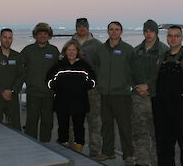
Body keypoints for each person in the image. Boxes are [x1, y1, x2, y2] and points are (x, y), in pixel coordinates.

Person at [138, 25, 183, 166]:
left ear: (181, 38)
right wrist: (150, 93)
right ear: (167, 38)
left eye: (176, 36)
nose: (173, 39)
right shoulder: (162, 56)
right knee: (164, 147)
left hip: (182, 110)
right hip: (162, 110)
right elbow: (154, 80)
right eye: (170, 36)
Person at [96, 21, 134, 166]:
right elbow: (97, 67)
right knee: (106, 125)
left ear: (121, 32)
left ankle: (128, 155)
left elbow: (133, 69)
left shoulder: (128, 49)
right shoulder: (100, 49)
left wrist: (129, 84)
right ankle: (107, 152)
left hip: (122, 94)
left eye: (117, 29)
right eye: (111, 29)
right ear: (107, 31)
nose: (114, 32)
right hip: (105, 93)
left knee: (125, 126)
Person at [47, 40, 95, 152]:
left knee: (79, 128)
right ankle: (63, 152)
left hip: (80, 102)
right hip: (62, 102)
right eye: (69, 50)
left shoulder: (84, 65)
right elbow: (49, 82)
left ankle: (79, 152)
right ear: (65, 51)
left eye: (74, 50)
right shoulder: (59, 66)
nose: (71, 52)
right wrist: (59, 86)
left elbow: (93, 82)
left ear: (78, 51)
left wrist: (81, 85)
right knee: (63, 129)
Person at [132, 20, 169, 166]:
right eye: (146, 31)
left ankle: (156, 162)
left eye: (151, 31)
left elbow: (164, 77)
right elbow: (130, 72)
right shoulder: (136, 51)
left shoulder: (164, 51)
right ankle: (142, 162)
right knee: (139, 133)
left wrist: (149, 87)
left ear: (156, 32)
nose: (148, 34)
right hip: (138, 99)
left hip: (156, 99)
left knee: (157, 134)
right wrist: (136, 87)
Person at [21, 23, 60, 141]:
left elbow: (60, 71)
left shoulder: (54, 51)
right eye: (40, 33)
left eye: (45, 33)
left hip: (49, 94)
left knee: (47, 122)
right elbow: (19, 69)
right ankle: (30, 146)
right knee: (31, 121)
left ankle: (46, 146)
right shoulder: (28, 50)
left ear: (49, 35)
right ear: (35, 35)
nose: (42, 35)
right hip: (33, 93)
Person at [71, 18, 102, 157]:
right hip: (73, 91)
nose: (82, 28)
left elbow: (102, 67)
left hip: (92, 90)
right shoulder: (70, 44)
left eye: (84, 26)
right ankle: (74, 149)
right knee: (74, 120)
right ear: (76, 28)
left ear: (88, 27)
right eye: (79, 26)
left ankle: (95, 151)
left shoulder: (97, 45)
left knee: (94, 121)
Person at [0, 28, 25, 130]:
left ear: (12, 39)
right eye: (5, 37)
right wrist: (2, 91)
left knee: (15, 127)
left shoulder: (17, 56)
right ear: (0, 38)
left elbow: (21, 75)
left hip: (12, 96)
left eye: (10, 38)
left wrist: (12, 91)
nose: (7, 40)